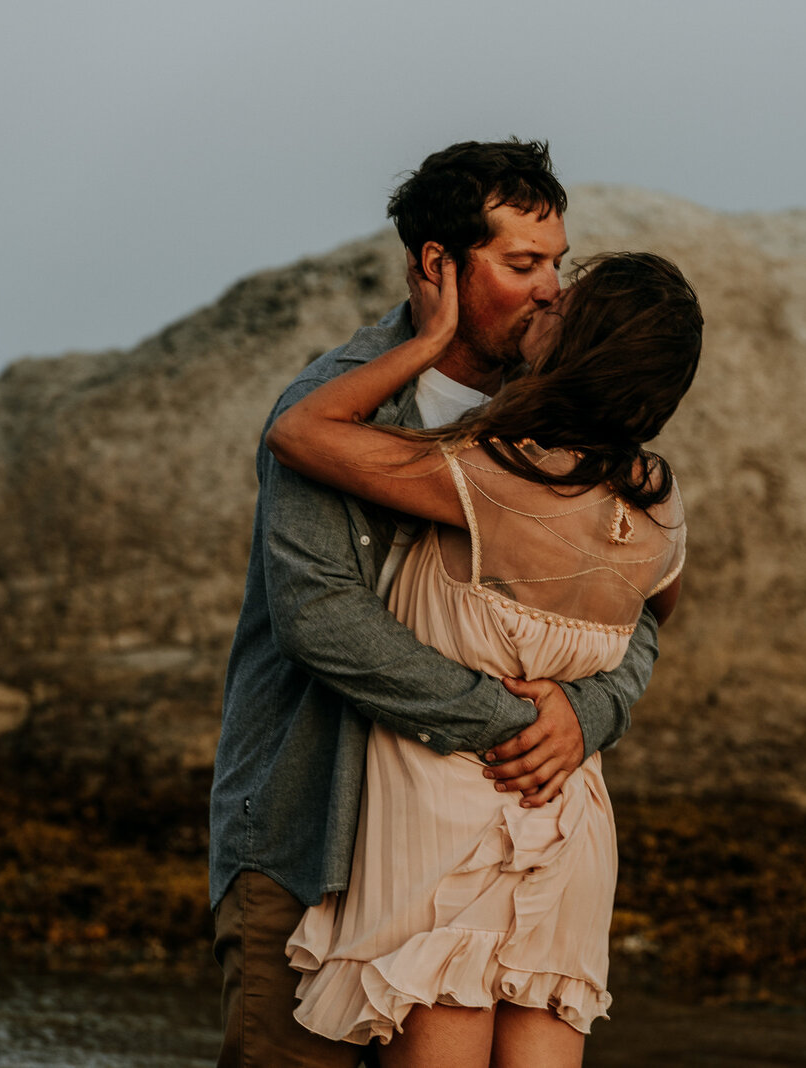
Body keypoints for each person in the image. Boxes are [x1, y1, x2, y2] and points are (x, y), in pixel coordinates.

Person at [209, 140, 660, 1068]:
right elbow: (320, 617)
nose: (550, 291)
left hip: (479, 860)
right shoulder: (336, 409)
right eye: (523, 265)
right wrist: (507, 723)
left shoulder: (560, 418)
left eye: (558, 266)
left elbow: (635, 605)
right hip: (313, 843)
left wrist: (587, 712)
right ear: (437, 266)